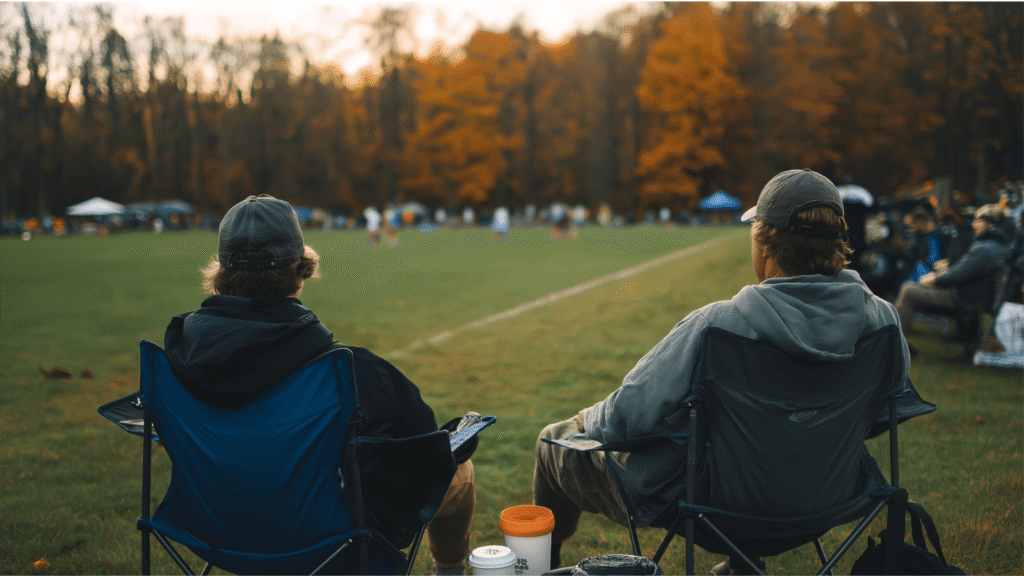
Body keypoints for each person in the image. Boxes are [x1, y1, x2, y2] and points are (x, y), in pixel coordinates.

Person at [533, 169, 915, 574]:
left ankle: (542, 567)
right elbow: (882, 414)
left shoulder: (718, 327)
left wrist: (583, 420)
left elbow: (624, 420)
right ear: (839, 243)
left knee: (550, 442)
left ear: (763, 243)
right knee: (757, 442)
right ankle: (742, 568)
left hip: (714, 511)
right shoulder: (884, 323)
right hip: (829, 500)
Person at [164, 195, 476, 575]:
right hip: (325, 543)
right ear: (302, 270)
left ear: (220, 275)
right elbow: (422, 442)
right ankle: (450, 570)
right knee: (459, 472)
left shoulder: (175, 363)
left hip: (213, 530)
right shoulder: (347, 371)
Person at [893, 204, 1011, 355]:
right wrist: (948, 269)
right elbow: (966, 270)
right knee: (911, 286)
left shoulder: (985, 249)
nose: (973, 224)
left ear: (989, 223)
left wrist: (934, 279)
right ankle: (901, 343)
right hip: (973, 298)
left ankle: (900, 344)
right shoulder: (997, 247)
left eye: (978, 220)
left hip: (964, 299)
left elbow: (959, 274)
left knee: (908, 290)